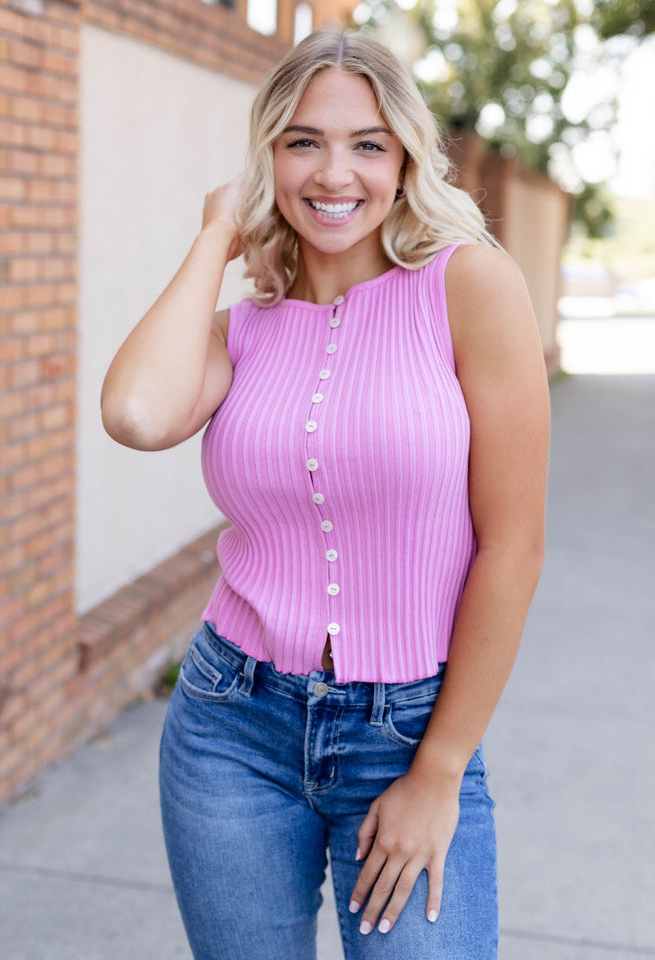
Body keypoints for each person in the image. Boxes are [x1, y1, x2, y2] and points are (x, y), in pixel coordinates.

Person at [100, 26, 550, 960]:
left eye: (366, 144)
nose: (333, 172)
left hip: (409, 728)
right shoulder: (243, 329)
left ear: (405, 159)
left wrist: (439, 768)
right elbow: (136, 414)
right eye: (303, 140)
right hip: (233, 724)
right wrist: (218, 233)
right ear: (268, 155)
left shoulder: (470, 290)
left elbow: (514, 546)